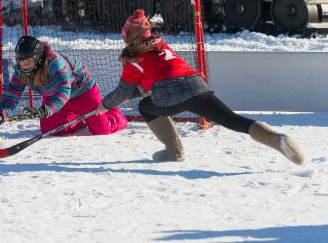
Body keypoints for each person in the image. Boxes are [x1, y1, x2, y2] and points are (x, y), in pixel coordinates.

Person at [96, 9, 304, 165]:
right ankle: (277, 139)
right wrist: (133, 93)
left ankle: (173, 152)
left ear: (129, 35)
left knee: (145, 107)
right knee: (231, 119)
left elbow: (124, 90)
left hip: (169, 93)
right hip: (195, 84)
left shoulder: (133, 57)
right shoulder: (160, 44)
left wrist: (105, 106)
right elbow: (150, 80)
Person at [0, 35, 128, 136]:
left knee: (102, 129)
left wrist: (45, 110)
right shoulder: (21, 70)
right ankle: (77, 117)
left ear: (37, 58)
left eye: (28, 62)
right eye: (20, 61)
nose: (24, 66)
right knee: (50, 130)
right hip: (55, 99)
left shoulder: (56, 64)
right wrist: (0, 115)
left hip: (83, 93)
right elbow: (13, 92)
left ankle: (115, 113)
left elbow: (64, 91)